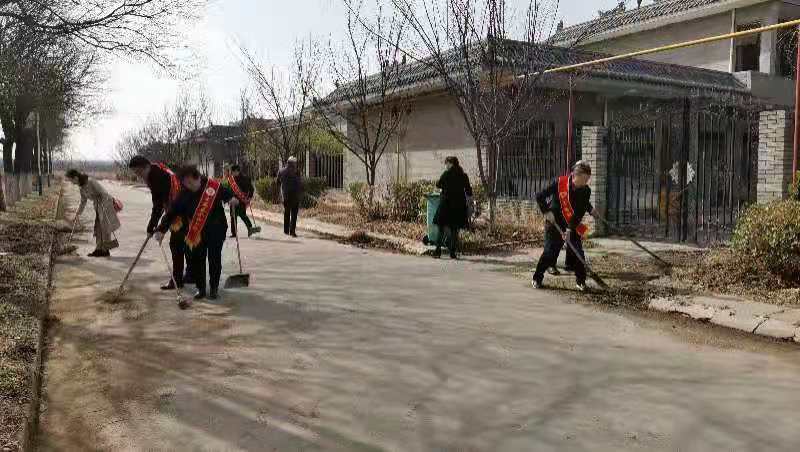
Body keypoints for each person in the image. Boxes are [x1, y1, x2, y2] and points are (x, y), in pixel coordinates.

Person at [154, 165, 239, 300]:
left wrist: (232, 199)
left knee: (214, 259)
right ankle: (201, 289)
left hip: (216, 229)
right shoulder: (184, 193)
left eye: (190, 182)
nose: (188, 186)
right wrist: (161, 230)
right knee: (197, 260)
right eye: (185, 183)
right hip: (197, 232)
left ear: (198, 177)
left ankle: (214, 288)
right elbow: (171, 213)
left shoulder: (213, 186)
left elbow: (228, 195)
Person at [128, 156, 193, 290]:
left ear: (146, 167)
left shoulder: (158, 177)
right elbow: (158, 204)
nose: (138, 176)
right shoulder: (155, 172)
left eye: (139, 172)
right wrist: (152, 226)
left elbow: (162, 206)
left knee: (177, 244)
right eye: (135, 173)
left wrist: (160, 228)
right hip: (182, 207)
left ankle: (178, 280)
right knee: (184, 243)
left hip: (184, 210)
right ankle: (190, 275)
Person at [532, 161, 595, 292]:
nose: (586, 182)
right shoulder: (560, 183)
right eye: (584, 179)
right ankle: (537, 278)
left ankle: (581, 282)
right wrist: (546, 211)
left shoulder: (586, 191)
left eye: (587, 179)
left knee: (578, 253)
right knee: (549, 252)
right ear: (575, 175)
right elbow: (540, 196)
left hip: (572, 224)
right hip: (554, 223)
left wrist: (569, 230)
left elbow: (578, 213)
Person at [66, 169, 121, 257]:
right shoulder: (81, 187)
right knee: (98, 228)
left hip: (105, 205)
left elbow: (104, 193)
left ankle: (105, 250)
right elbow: (83, 201)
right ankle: (99, 249)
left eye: (71, 180)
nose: (72, 183)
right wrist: (77, 213)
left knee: (105, 228)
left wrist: (102, 207)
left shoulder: (91, 181)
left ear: (75, 178)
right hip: (98, 206)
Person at [433, 156, 473, 259]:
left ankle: (437, 251)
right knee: (454, 229)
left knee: (441, 228)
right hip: (458, 206)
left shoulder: (446, 174)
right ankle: (452, 253)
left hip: (446, 205)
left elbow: (438, 184)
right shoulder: (463, 175)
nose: (446, 166)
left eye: (446, 164)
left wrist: (446, 187)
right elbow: (469, 190)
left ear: (451, 163)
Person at [225, 164, 260, 237]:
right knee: (233, 216)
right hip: (233, 200)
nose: (231, 174)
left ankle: (250, 228)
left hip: (241, 200)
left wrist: (249, 197)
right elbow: (229, 189)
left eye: (232, 172)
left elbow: (251, 189)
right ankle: (234, 233)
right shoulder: (231, 180)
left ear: (236, 171)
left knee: (242, 215)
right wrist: (228, 198)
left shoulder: (245, 178)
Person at [276, 156, 302, 237]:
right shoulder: (297, 172)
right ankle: (292, 231)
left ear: (287, 162)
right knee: (294, 214)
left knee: (287, 212)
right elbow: (299, 183)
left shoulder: (281, 171)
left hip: (285, 195)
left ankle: (286, 230)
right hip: (295, 196)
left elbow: (277, 182)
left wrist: (281, 191)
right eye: (295, 163)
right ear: (293, 163)